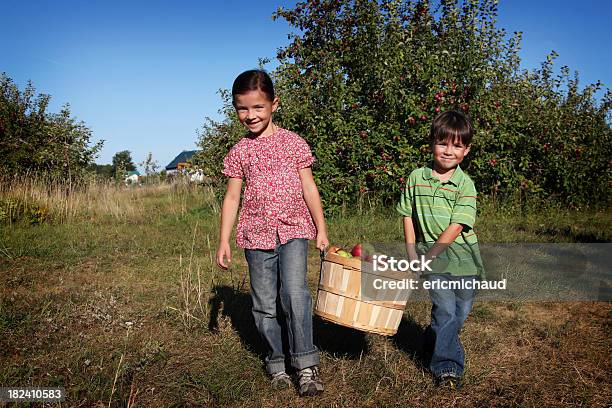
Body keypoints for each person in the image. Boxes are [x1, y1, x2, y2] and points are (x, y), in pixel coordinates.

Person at [215, 69, 328, 397]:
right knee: (264, 303)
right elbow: (232, 196)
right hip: (255, 235)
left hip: (293, 231)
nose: (250, 115)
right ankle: (276, 362)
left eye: (258, 108)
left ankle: (305, 364)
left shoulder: (294, 143)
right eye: (242, 109)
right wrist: (224, 239)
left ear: (274, 104)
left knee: (294, 295)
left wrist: (321, 228)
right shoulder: (239, 152)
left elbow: (309, 186)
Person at [396, 110, 485, 390]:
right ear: (432, 142)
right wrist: (413, 253)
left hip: (464, 261)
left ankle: (432, 342)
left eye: (457, 146)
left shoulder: (465, 186)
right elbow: (407, 214)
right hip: (432, 259)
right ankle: (448, 367)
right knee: (445, 309)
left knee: (460, 312)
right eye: (443, 143)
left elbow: (456, 227)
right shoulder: (416, 178)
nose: (448, 151)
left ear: (466, 150)